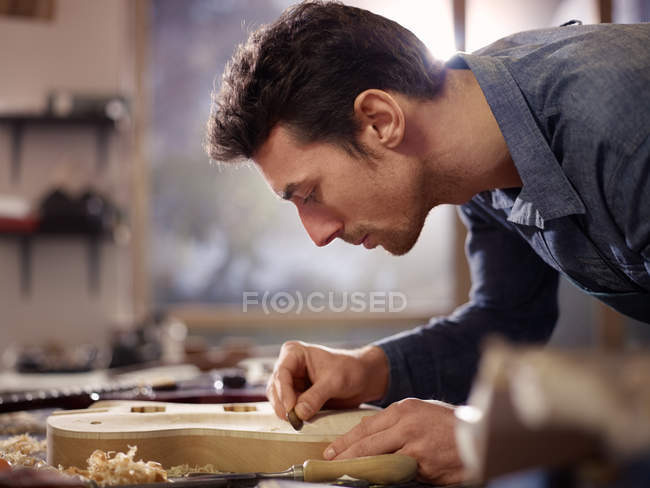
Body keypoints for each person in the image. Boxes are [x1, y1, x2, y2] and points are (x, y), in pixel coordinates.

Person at [204, 1, 650, 484]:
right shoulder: (479, 157)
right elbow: (509, 318)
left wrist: (489, 434)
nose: (317, 235)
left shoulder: (627, 130)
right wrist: (368, 369)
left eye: (310, 194)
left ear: (379, 120)